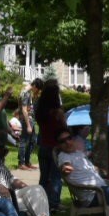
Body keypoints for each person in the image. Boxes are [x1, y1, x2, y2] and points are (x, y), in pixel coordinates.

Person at [35, 74, 65, 206]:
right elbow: (64, 128)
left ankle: (40, 201)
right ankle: (54, 203)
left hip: (43, 145)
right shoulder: (57, 112)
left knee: (44, 177)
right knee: (55, 178)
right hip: (56, 147)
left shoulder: (40, 110)